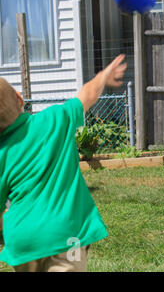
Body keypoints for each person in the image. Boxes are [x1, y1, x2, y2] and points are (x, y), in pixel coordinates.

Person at [0, 54, 127, 271]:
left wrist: (10, 231)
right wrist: (103, 76)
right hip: (66, 235)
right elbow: (87, 95)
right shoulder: (54, 119)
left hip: (23, 241)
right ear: (20, 100)